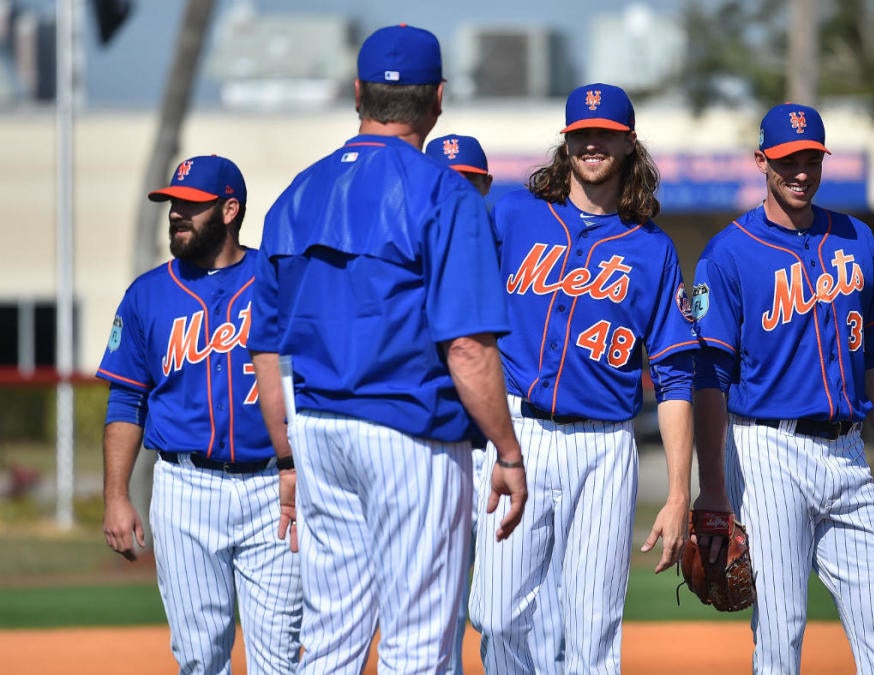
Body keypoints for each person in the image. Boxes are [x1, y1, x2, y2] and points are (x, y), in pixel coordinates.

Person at [247, 25, 527, 673]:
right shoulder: (444, 191)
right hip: (410, 434)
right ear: (437, 100)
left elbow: (264, 347)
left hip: (319, 434)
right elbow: (467, 347)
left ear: (357, 95)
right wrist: (507, 450)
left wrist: (288, 455)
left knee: (333, 639)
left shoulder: (297, 192)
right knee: (418, 643)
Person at [468, 82, 699, 674]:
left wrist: (678, 494)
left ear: (627, 145)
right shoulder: (517, 215)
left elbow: (673, 379)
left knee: (594, 627)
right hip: (520, 433)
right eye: (581, 135)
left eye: (604, 135)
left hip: (606, 445)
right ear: (566, 143)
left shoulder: (652, 249)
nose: (592, 144)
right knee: (494, 613)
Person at [690, 103, 874, 674]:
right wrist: (713, 491)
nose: (800, 172)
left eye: (811, 159)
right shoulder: (728, 252)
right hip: (767, 449)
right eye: (788, 160)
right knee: (780, 629)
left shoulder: (856, 237)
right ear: (762, 161)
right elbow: (710, 378)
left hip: (846, 452)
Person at [98, 154, 302, 673]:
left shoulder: (278, 280)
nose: (176, 215)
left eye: (191, 206)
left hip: (271, 489)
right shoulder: (147, 295)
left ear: (229, 209)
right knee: (199, 657)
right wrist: (117, 497)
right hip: (185, 490)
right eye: (173, 205)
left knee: (278, 659)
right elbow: (125, 400)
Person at [424, 133, 565, 675]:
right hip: (430, 443)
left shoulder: (510, 241)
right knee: (436, 605)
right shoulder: (405, 258)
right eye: (446, 181)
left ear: (484, 186)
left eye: (469, 182)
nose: (458, 192)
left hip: (503, 436)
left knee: (525, 606)